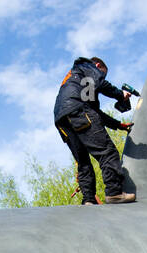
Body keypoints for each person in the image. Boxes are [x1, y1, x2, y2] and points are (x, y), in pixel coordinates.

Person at [54, 57, 135, 204]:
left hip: (62, 119)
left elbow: (94, 111)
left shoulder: (79, 80)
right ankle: (114, 193)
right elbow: (100, 83)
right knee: (107, 152)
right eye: (102, 73)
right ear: (97, 66)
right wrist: (120, 94)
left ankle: (88, 200)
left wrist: (118, 125)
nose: (101, 76)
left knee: (83, 161)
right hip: (78, 111)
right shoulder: (87, 66)